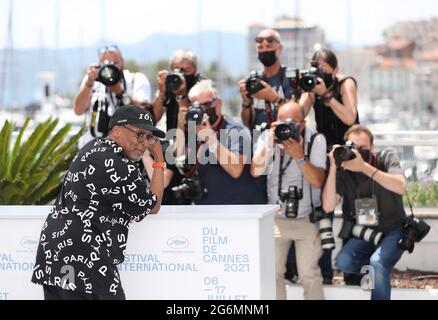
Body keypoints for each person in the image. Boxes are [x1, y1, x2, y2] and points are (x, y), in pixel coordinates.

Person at [31, 105, 165, 300]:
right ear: (117, 131)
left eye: (150, 137)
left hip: (55, 255)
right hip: (85, 262)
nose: (145, 143)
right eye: (140, 135)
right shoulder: (119, 165)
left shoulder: (92, 147)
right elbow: (152, 206)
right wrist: (159, 160)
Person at [251, 102, 327, 300]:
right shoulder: (269, 138)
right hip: (276, 218)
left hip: (306, 218)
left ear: (303, 123)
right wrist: (269, 142)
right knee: (272, 272)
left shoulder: (316, 139)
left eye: (293, 123)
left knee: (308, 273)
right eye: (282, 123)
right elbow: (255, 171)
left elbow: (318, 180)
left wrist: (300, 157)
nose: (287, 128)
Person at [322, 124, 407, 300]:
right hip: (367, 232)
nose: (359, 153)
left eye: (364, 149)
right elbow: (328, 206)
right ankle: (374, 273)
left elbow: (401, 187)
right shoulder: (344, 171)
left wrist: (363, 167)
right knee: (343, 261)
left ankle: (378, 270)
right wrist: (333, 167)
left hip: (394, 229)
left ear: (373, 147)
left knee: (378, 263)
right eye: (354, 148)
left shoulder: (385, 158)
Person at [299, 48, 360, 284]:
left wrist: (327, 96)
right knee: (322, 214)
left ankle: (353, 272)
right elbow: (300, 113)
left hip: (350, 153)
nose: (319, 72)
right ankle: (323, 272)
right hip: (325, 157)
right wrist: (306, 90)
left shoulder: (345, 83)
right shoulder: (313, 86)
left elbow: (350, 117)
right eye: (316, 67)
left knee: (353, 213)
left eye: (323, 68)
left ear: (334, 69)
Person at [174, 79, 267, 205]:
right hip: (207, 210)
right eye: (196, 107)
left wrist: (211, 140)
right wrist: (180, 126)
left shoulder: (236, 130)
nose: (201, 111)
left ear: (218, 104)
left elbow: (236, 170)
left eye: (205, 106)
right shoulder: (194, 130)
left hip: (237, 211)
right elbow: (177, 156)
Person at [74, 45, 152, 148]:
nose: (109, 71)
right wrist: (89, 82)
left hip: (127, 150)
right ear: (99, 65)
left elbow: (144, 113)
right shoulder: (92, 82)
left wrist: (120, 92)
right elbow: (78, 110)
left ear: (122, 62)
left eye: (114, 63)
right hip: (93, 149)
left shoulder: (135, 79)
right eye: (105, 65)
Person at [239, 28, 293, 133]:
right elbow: (247, 122)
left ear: (280, 49)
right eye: (260, 47)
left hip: (284, 138)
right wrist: (245, 102)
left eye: (269, 47)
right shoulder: (253, 79)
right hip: (258, 140)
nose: (264, 51)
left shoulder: (290, 77)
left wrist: (275, 98)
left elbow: (296, 114)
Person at [152, 50, 202, 131]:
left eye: (187, 70)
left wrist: (182, 96)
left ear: (195, 70)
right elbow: (153, 119)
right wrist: (161, 93)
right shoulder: (169, 83)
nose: (182, 74)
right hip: (172, 136)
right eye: (177, 69)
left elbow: (191, 122)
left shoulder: (201, 86)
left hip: (194, 137)